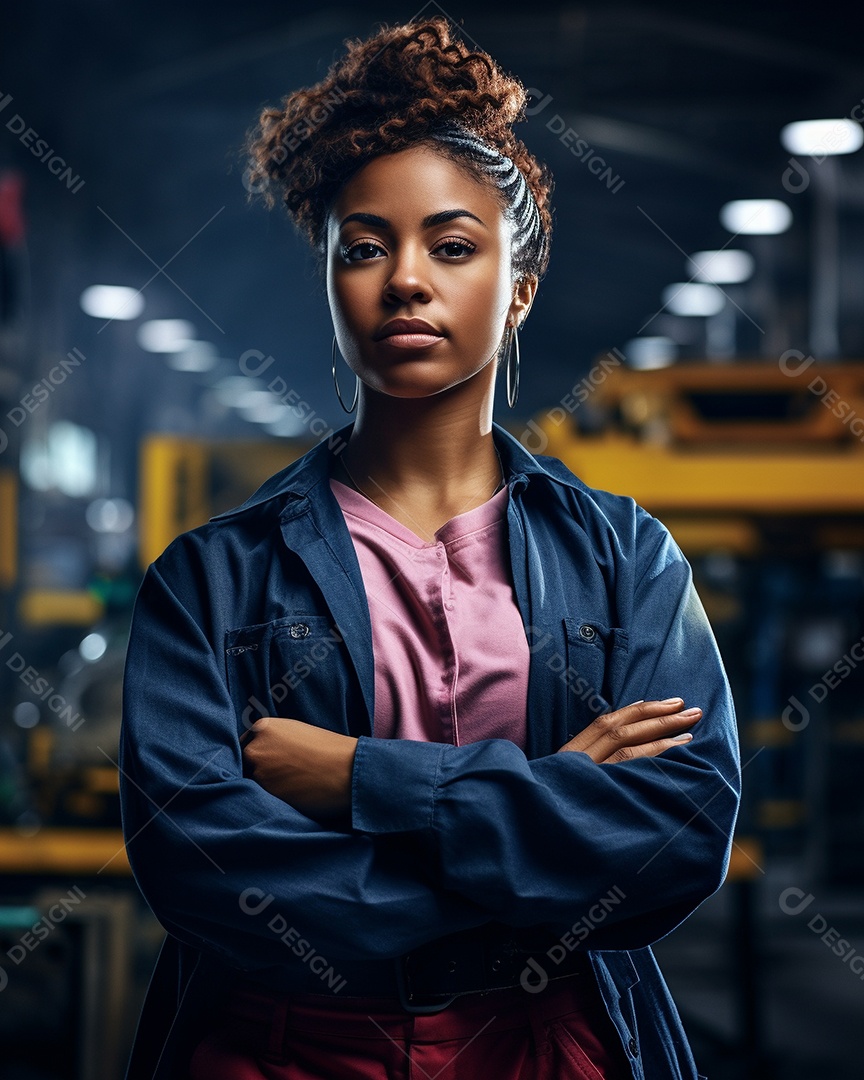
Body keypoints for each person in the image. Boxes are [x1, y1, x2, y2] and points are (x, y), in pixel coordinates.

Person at [119, 15, 740, 1080]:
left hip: (552, 1043)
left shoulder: (627, 561)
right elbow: (203, 868)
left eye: (453, 247)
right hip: (284, 1049)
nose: (405, 279)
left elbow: (675, 837)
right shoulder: (212, 582)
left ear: (520, 291)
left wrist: (366, 781)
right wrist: (543, 813)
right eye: (363, 248)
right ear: (329, 283)